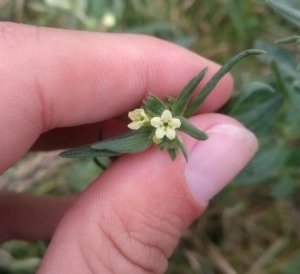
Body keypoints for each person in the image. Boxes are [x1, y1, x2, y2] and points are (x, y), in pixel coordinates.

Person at [0, 22, 257, 273]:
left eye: (166, 122)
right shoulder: (160, 125)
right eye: (165, 122)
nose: (166, 122)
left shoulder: (168, 122)